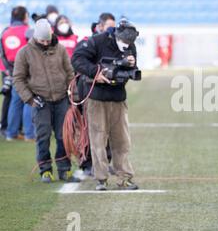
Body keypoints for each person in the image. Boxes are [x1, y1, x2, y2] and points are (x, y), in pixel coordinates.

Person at [71, 19, 139, 191]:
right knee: (98, 139)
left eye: (129, 44)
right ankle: (101, 178)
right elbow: (77, 59)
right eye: (124, 42)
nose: (126, 46)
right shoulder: (97, 41)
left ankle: (125, 177)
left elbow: (130, 70)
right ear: (117, 35)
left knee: (122, 140)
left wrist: (131, 64)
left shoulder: (131, 46)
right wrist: (96, 72)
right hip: (97, 98)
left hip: (118, 97)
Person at [13, 19, 79, 183]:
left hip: (62, 99)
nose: (45, 43)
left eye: (47, 40)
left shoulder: (61, 49)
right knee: (42, 137)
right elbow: (18, 79)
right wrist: (31, 99)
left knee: (64, 136)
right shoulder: (24, 53)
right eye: (42, 40)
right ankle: (45, 170)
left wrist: (73, 94)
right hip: (40, 101)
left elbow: (70, 73)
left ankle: (64, 169)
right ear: (35, 37)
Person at [1, 6, 34, 141]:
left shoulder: (5, 32)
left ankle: (11, 133)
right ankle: (29, 134)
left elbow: (2, 53)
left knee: (15, 101)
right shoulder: (28, 31)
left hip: (12, 70)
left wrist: (9, 69)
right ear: (25, 16)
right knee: (29, 100)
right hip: (28, 70)